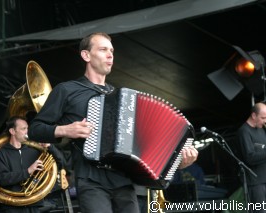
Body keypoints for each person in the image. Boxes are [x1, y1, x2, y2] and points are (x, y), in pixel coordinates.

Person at [28, 32, 198, 213]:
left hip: (123, 181)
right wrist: (64, 130)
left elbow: (145, 145)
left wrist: (176, 162)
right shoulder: (67, 90)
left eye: (111, 51)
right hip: (91, 181)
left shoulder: (120, 98)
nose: (110, 55)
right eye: (103, 50)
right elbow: (34, 130)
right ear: (86, 55)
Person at [0, 115, 64, 213]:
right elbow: (3, 179)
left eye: (27, 128)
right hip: (11, 206)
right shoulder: (1, 153)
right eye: (23, 129)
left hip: (34, 204)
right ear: (12, 131)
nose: (27, 131)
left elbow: (61, 162)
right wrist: (28, 171)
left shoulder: (34, 150)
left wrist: (50, 146)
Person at [236, 102, 266, 213]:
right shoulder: (244, 131)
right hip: (255, 184)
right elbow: (250, 157)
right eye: (263, 118)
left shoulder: (262, 130)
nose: (265, 121)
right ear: (253, 116)